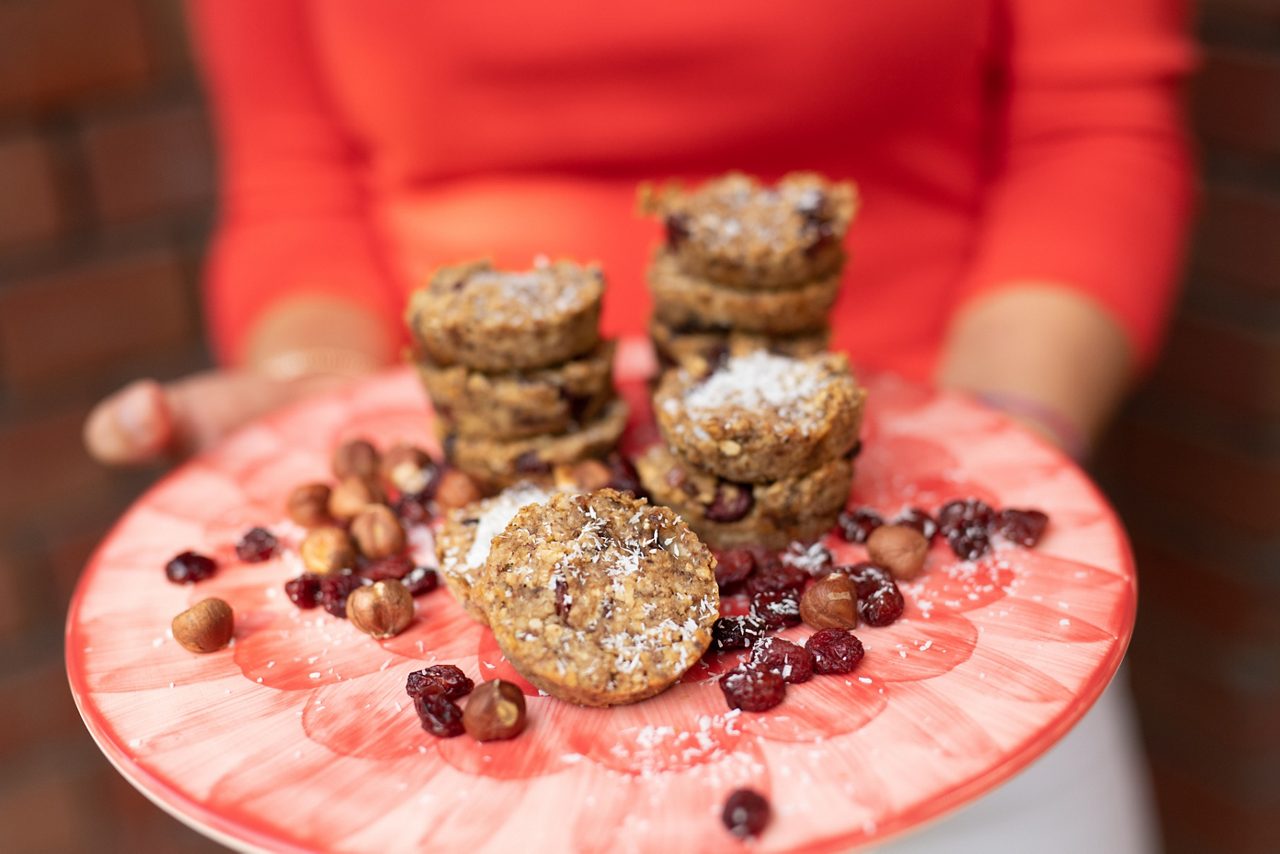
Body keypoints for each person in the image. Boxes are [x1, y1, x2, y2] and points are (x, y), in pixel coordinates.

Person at [83, 2, 1191, 850]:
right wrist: (315, 379)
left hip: (928, 549)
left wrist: (1000, 429)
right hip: (443, 579)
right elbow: (299, 181)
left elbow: (1091, 123)